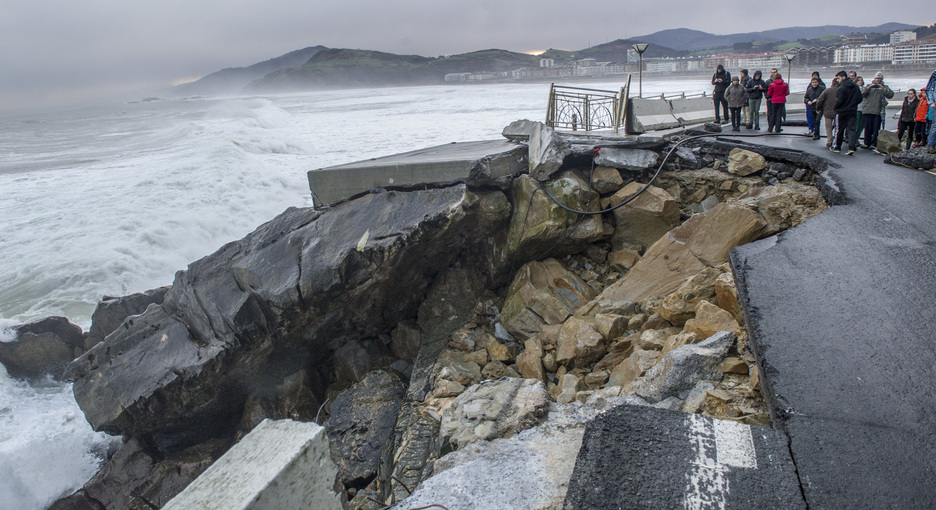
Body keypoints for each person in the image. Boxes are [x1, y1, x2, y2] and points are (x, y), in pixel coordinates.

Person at [861, 71, 894, 153]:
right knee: (867, 127)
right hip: (867, 110)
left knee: (876, 128)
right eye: (876, 78)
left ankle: (874, 143)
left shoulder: (884, 87)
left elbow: (890, 95)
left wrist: (882, 89)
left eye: (879, 78)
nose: (878, 80)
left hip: (878, 111)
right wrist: (869, 88)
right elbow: (862, 94)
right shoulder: (869, 86)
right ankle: (866, 143)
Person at [833, 70, 862, 155]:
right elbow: (860, 98)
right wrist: (853, 104)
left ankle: (837, 147)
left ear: (843, 77)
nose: (838, 80)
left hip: (842, 111)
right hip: (852, 111)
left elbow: (839, 101)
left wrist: (835, 108)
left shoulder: (841, 88)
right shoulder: (856, 87)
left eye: (838, 78)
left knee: (839, 130)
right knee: (851, 129)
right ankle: (851, 147)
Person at [816, 74, 840, 146]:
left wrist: (818, 108)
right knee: (837, 128)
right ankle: (837, 140)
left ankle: (829, 140)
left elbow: (820, 100)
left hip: (827, 111)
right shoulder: (841, 90)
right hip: (838, 111)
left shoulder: (827, 91)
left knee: (828, 127)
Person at [926, 68, 936, 154]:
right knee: (935, 125)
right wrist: (931, 102)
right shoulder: (935, 74)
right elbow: (929, 89)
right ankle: (931, 145)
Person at [853, 75, 866, 142]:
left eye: (861, 80)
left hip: (864, 109)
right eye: (859, 80)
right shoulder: (854, 88)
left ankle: (857, 138)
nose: (860, 82)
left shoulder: (865, 88)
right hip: (857, 109)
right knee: (856, 125)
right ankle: (854, 139)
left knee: (861, 126)